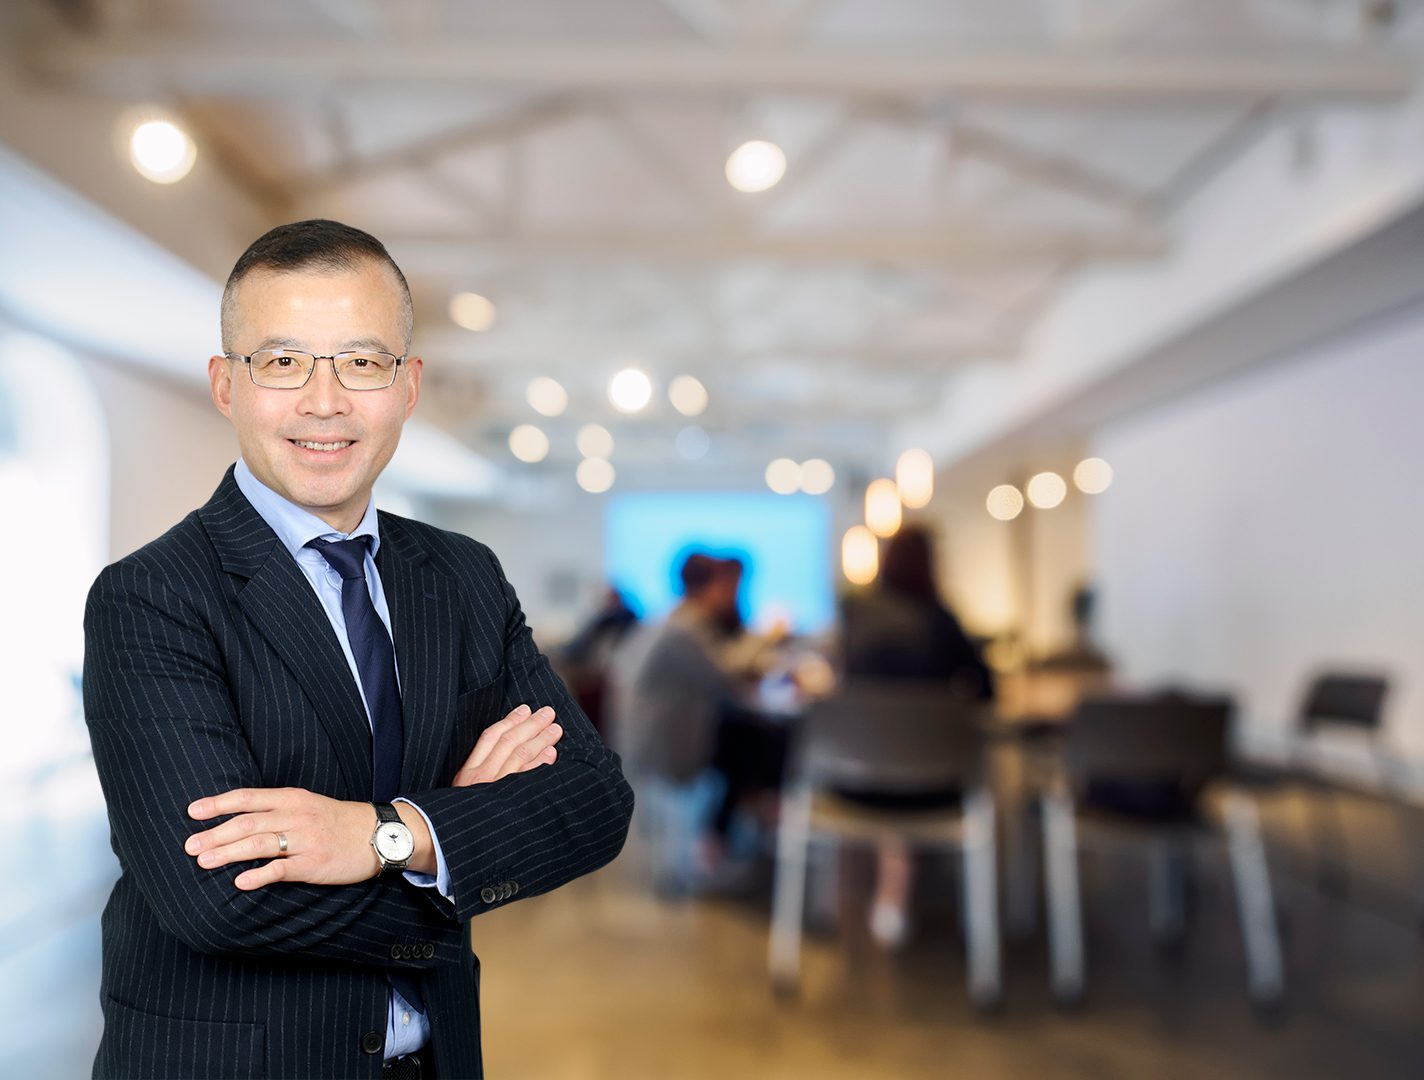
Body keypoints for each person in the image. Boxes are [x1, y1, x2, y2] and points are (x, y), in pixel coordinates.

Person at [82, 219, 635, 1080]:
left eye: (362, 362)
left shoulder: (463, 577)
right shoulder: (151, 597)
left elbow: (595, 804)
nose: (324, 400)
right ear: (227, 385)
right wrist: (448, 852)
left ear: (409, 386)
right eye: (283, 361)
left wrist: (385, 832)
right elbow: (217, 903)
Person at [836, 524, 993, 948]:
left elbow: (843, 686)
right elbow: (986, 687)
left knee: (890, 763)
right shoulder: (940, 618)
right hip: (934, 783)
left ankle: (893, 881)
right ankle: (897, 882)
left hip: (854, 780)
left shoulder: (856, 613)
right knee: (916, 766)